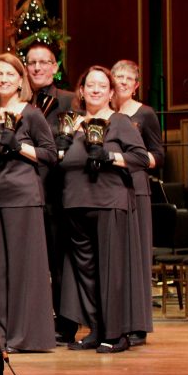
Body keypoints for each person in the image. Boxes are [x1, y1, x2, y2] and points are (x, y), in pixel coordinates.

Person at [58, 66, 150, 353]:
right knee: (85, 272)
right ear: (81, 91)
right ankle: (96, 329)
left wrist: (110, 156)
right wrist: (61, 149)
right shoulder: (72, 124)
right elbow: (62, 162)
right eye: (90, 85)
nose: (96, 90)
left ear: (111, 92)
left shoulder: (119, 121)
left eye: (102, 85)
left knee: (111, 270)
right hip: (75, 203)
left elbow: (141, 158)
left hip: (109, 203)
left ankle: (117, 333)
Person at [0, 53, 57, 353]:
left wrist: (19, 147)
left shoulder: (30, 114)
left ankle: (24, 336)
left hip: (22, 197)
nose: (3, 79)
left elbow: (49, 154)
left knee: (23, 269)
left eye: (10, 74)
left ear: (20, 79)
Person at [25, 40, 77, 343]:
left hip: (56, 194)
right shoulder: (19, 102)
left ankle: (65, 322)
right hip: (24, 192)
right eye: (32, 62)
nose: (37, 68)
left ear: (55, 67)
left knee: (59, 261)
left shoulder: (70, 101)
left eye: (44, 62)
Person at [113, 59, 164, 346]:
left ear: (136, 85)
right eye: (116, 76)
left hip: (136, 187)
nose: (121, 81)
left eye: (126, 77)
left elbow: (158, 154)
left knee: (138, 256)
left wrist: (134, 160)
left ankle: (138, 324)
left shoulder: (144, 113)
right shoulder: (105, 114)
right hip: (109, 190)